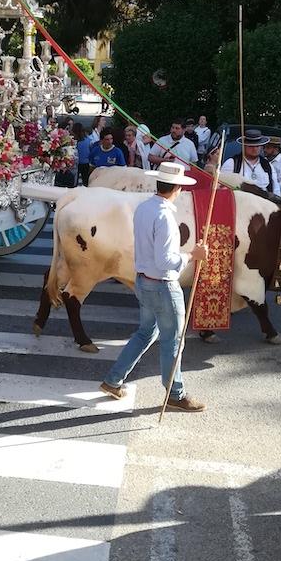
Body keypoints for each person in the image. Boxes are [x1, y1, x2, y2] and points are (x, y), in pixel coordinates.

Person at [99, 161, 207, 412]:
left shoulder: (145, 207)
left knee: (146, 332)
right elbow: (166, 261)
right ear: (177, 188)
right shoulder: (165, 215)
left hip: (143, 281)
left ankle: (113, 380)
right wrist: (193, 255)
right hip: (162, 285)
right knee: (173, 340)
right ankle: (175, 394)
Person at [222, 129, 279, 195]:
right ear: (244, 146)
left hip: (263, 204)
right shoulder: (232, 164)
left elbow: (276, 189)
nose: (254, 149)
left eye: (257, 146)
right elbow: (223, 188)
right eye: (251, 146)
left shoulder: (267, 165)